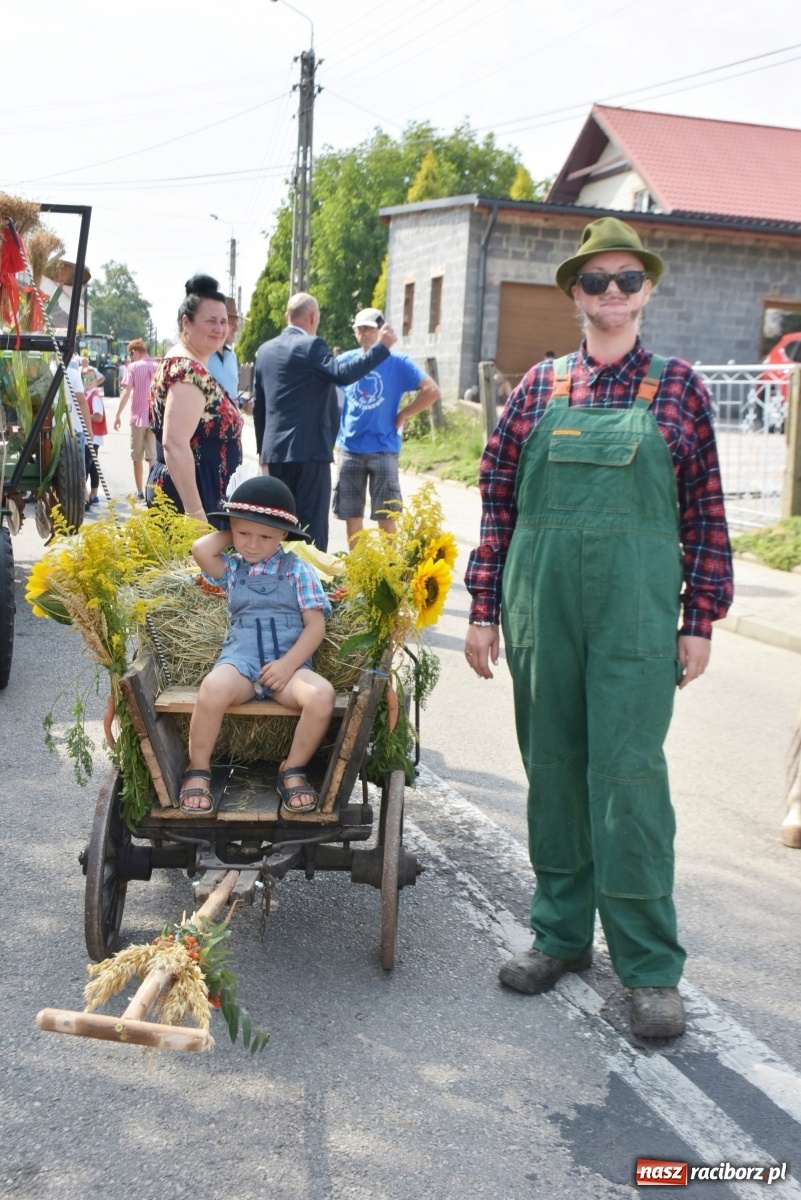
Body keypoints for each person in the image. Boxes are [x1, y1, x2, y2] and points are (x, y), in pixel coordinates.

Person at [464, 217, 733, 1040]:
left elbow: (705, 516)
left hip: (635, 617)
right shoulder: (538, 390)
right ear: (573, 293)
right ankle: (558, 936)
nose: (610, 294)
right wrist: (482, 607)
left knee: (627, 781)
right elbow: (497, 503)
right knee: (552, 769)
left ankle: (650, 968)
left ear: (646, 289)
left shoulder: (680, 387)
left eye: (625, 280)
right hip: (540, 607)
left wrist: (700, 620)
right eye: (594, 282)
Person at [179, 475, 335, 816]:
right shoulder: (232, 569)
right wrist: (233, 526)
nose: (252, 544)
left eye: (266, 535)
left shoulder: (298, 570)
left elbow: (315, 626)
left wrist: (289, 664)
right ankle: (198, 769)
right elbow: (200, 550)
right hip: (241, 664)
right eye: (244, 534)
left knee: (322, 696)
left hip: (288, 669)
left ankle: (292, 769)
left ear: (284, 535)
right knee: (212, 688)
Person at [252, 292, 397, 551]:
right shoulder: (312, 346)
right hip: (310, 453)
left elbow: (259, 406)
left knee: (278, 527)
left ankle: (275, 584)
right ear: (313, 317)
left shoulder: (264, 351)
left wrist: (263, 450)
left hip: (274, 455)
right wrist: (381, 348)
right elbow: (342, 374)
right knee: (311, 529)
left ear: (287, 317)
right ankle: (310, 585)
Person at [333, 307, 441, 547]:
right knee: (352, 516)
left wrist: (405, 413)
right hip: (350, 447)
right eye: (360, 328)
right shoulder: (346, 361)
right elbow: (331, 396)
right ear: (354, 332)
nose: (365, 333)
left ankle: (390, 572)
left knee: (387, 516)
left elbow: (432, 390)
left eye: (370, 328)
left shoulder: (398, 362)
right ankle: (358, 571)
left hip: (383, 447)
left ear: (381, 330)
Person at [148, 275, 243, 529]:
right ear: (186, 323)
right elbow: (174, 444)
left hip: (201, 490)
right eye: (210, 320)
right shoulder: (187, 371)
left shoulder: (187, 363)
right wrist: (195, 513)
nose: (219, 328)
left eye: (223, 321)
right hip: (195, 496)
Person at [114, 337, 157, 500]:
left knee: (136, 457)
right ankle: (152, 492)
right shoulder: (157, 367)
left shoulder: (132, 367)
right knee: (152, 456)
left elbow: (126, 393)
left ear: (135, 351)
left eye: (131, 354)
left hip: (138, 417)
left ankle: (139, 491)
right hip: (154, 418)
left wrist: (118, 414)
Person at [208, 296, 251, 413]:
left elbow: (232, 394)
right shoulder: (202, 356)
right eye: (231, 323)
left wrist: (242, 403)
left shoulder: (232, 357)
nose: (236, 329)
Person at [84, 381, 107, 508]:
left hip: (93, 436)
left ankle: (87, 495)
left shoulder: (94, 397)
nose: (88, 381)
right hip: (91, 436)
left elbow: (99, 417)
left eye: (90, 378)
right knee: (92, 465)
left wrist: (83, 415)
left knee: (87, 465)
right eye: (85, 378)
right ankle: (93, 493)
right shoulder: (87, 394)